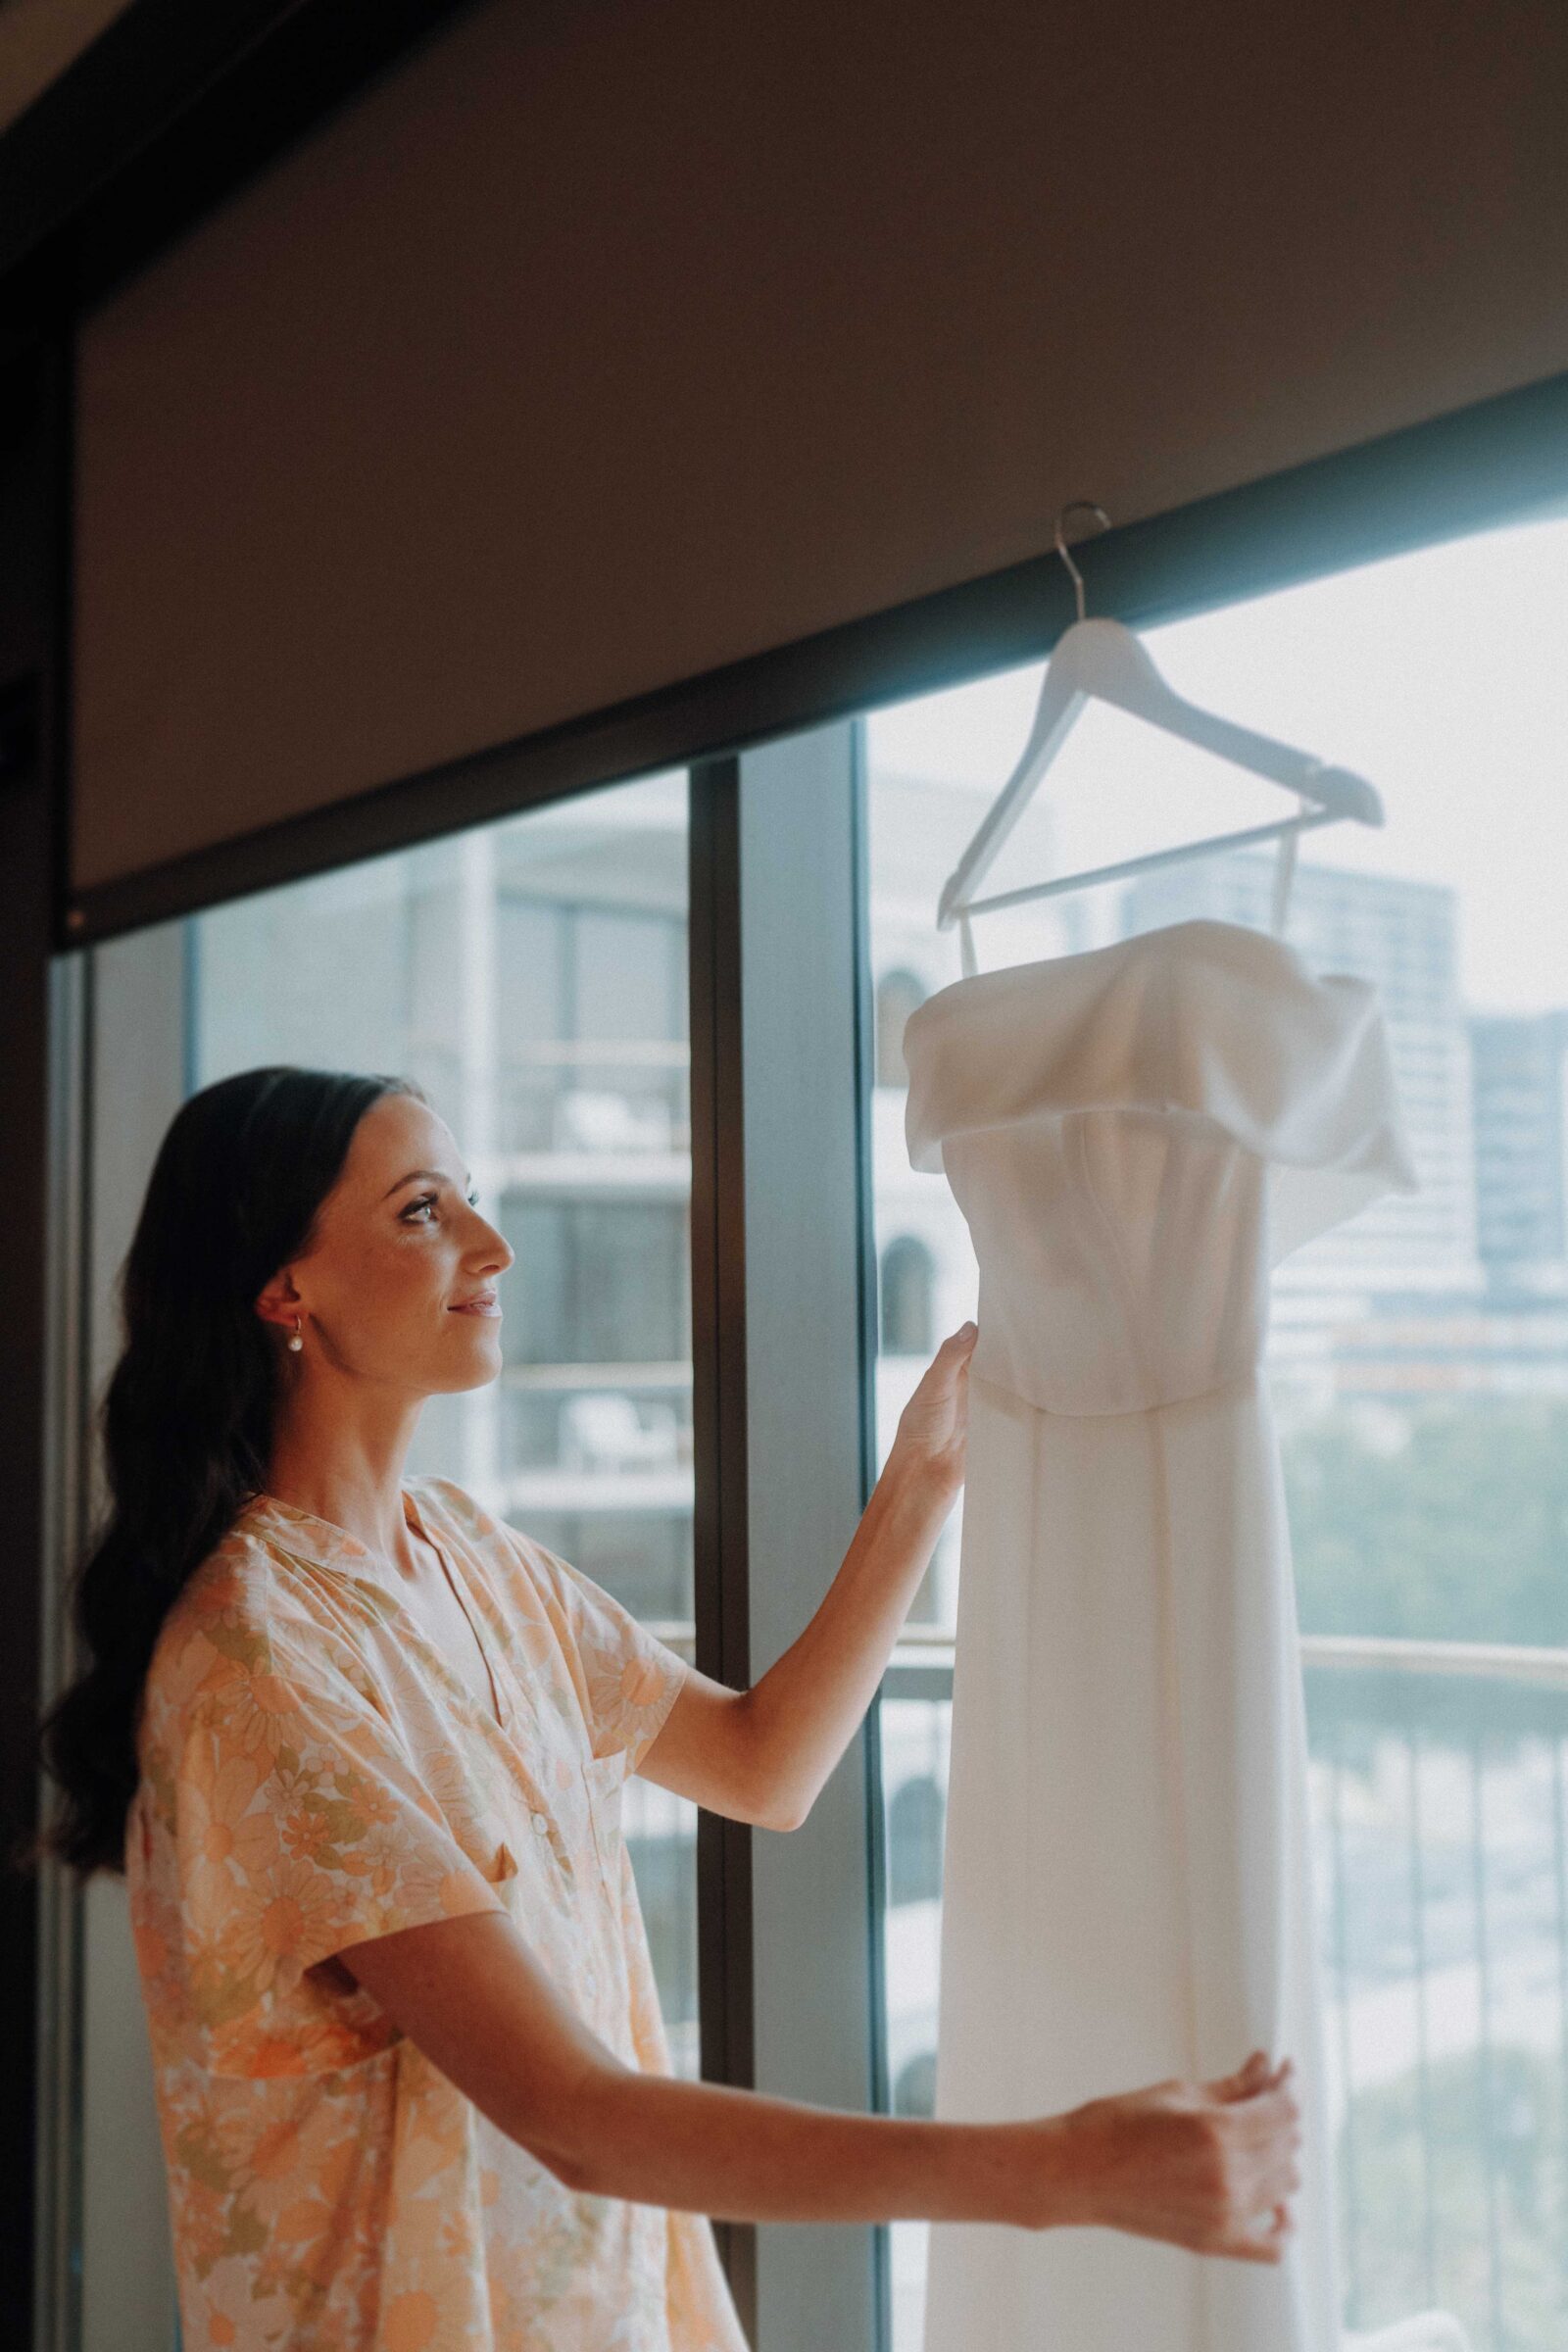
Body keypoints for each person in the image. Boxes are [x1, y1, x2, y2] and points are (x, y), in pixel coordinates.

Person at [28, 1064, 1300, 2349]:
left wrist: (921, 1483)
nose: (493, 1244)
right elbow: (572, 2114)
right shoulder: (257, 1665)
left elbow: (764, 1768)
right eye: (423, 1211)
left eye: (471, 1197)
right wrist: (1069, 2170)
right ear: (283, 1289)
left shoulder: (474, 1560)